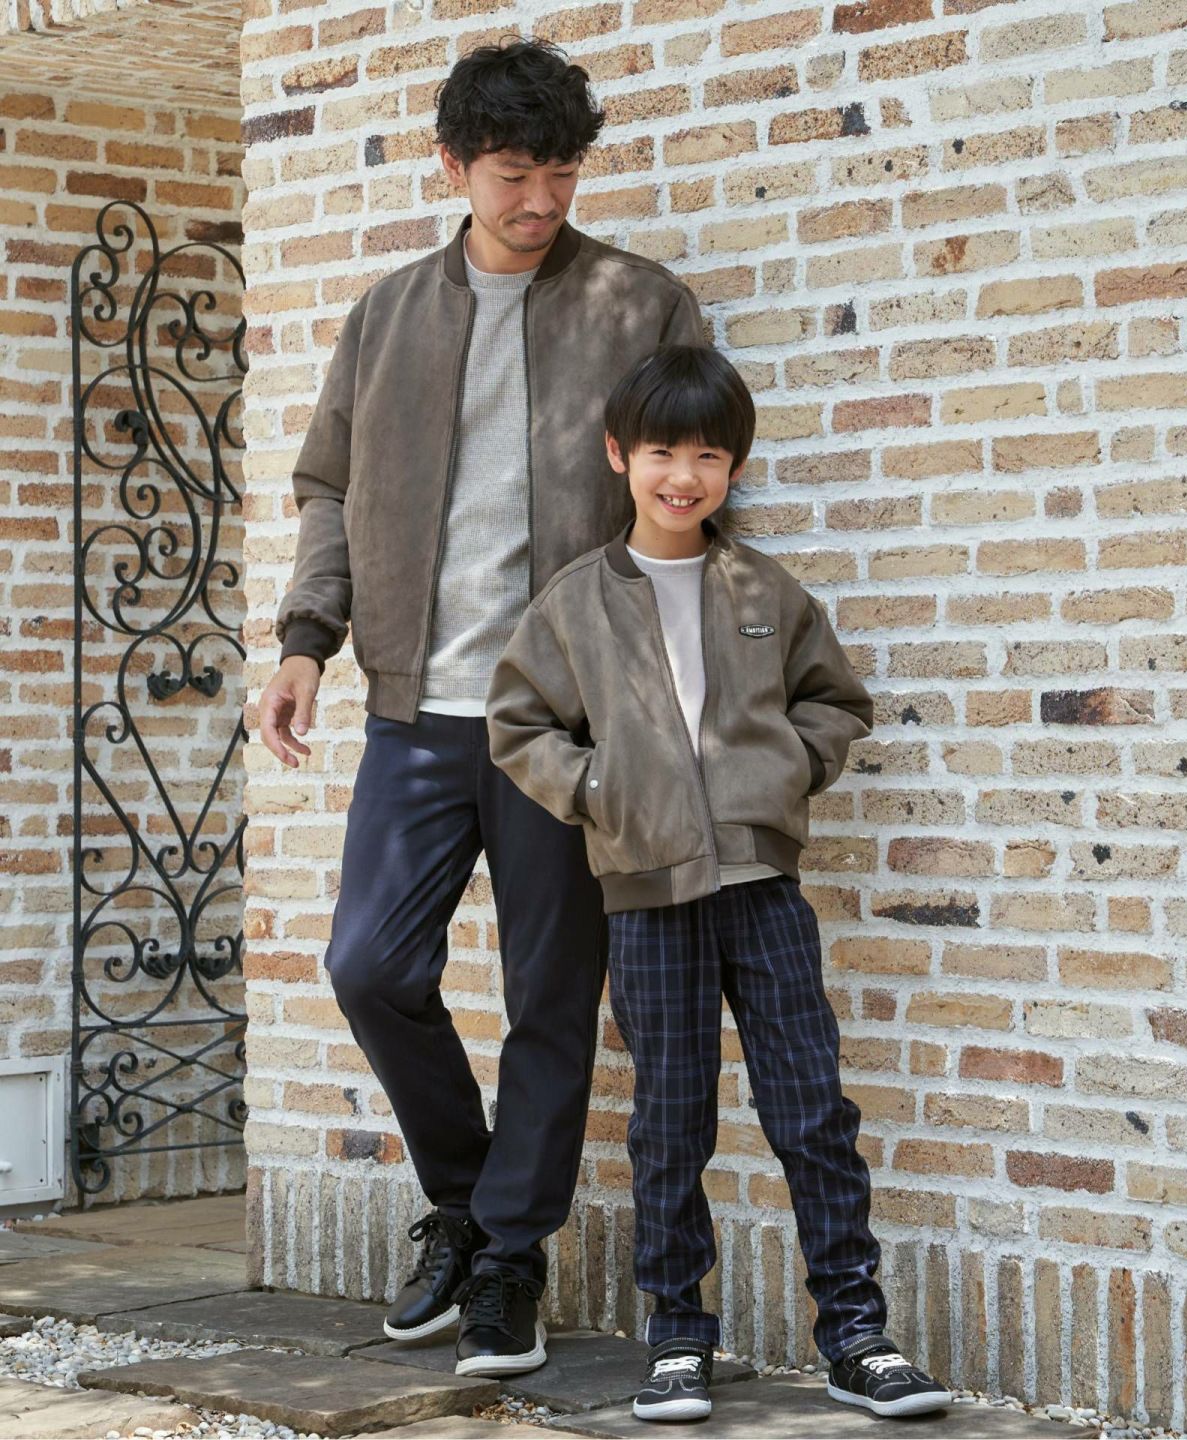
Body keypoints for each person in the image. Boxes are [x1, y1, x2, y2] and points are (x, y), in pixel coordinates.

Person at [257, 38, 704, 1378]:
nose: (541, 201)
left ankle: (509, 1260)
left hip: (566, 722)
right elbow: (329, 486)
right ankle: (465, 1202)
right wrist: (305, 640)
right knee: (370, 967)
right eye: (514, 174)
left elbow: (689, 496)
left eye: (562, 172)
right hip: (417, 708)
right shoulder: (388, 315)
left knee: (550, 998)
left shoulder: (642, 305)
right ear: (452, 167)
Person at [486, 345, 953, 1422]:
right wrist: (597, 786)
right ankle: (678, 1338)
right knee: (671, 1122)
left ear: (734, 469)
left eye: (708, 456)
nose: (683, 475)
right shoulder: (575, 601)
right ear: (619, 456)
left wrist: (782, 770)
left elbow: (835, 703)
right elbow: (519, 725)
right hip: (648, 895)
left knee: (811, 1110)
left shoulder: (764, 590)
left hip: (761, 886)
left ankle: (857, 1335)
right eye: (662, 452)